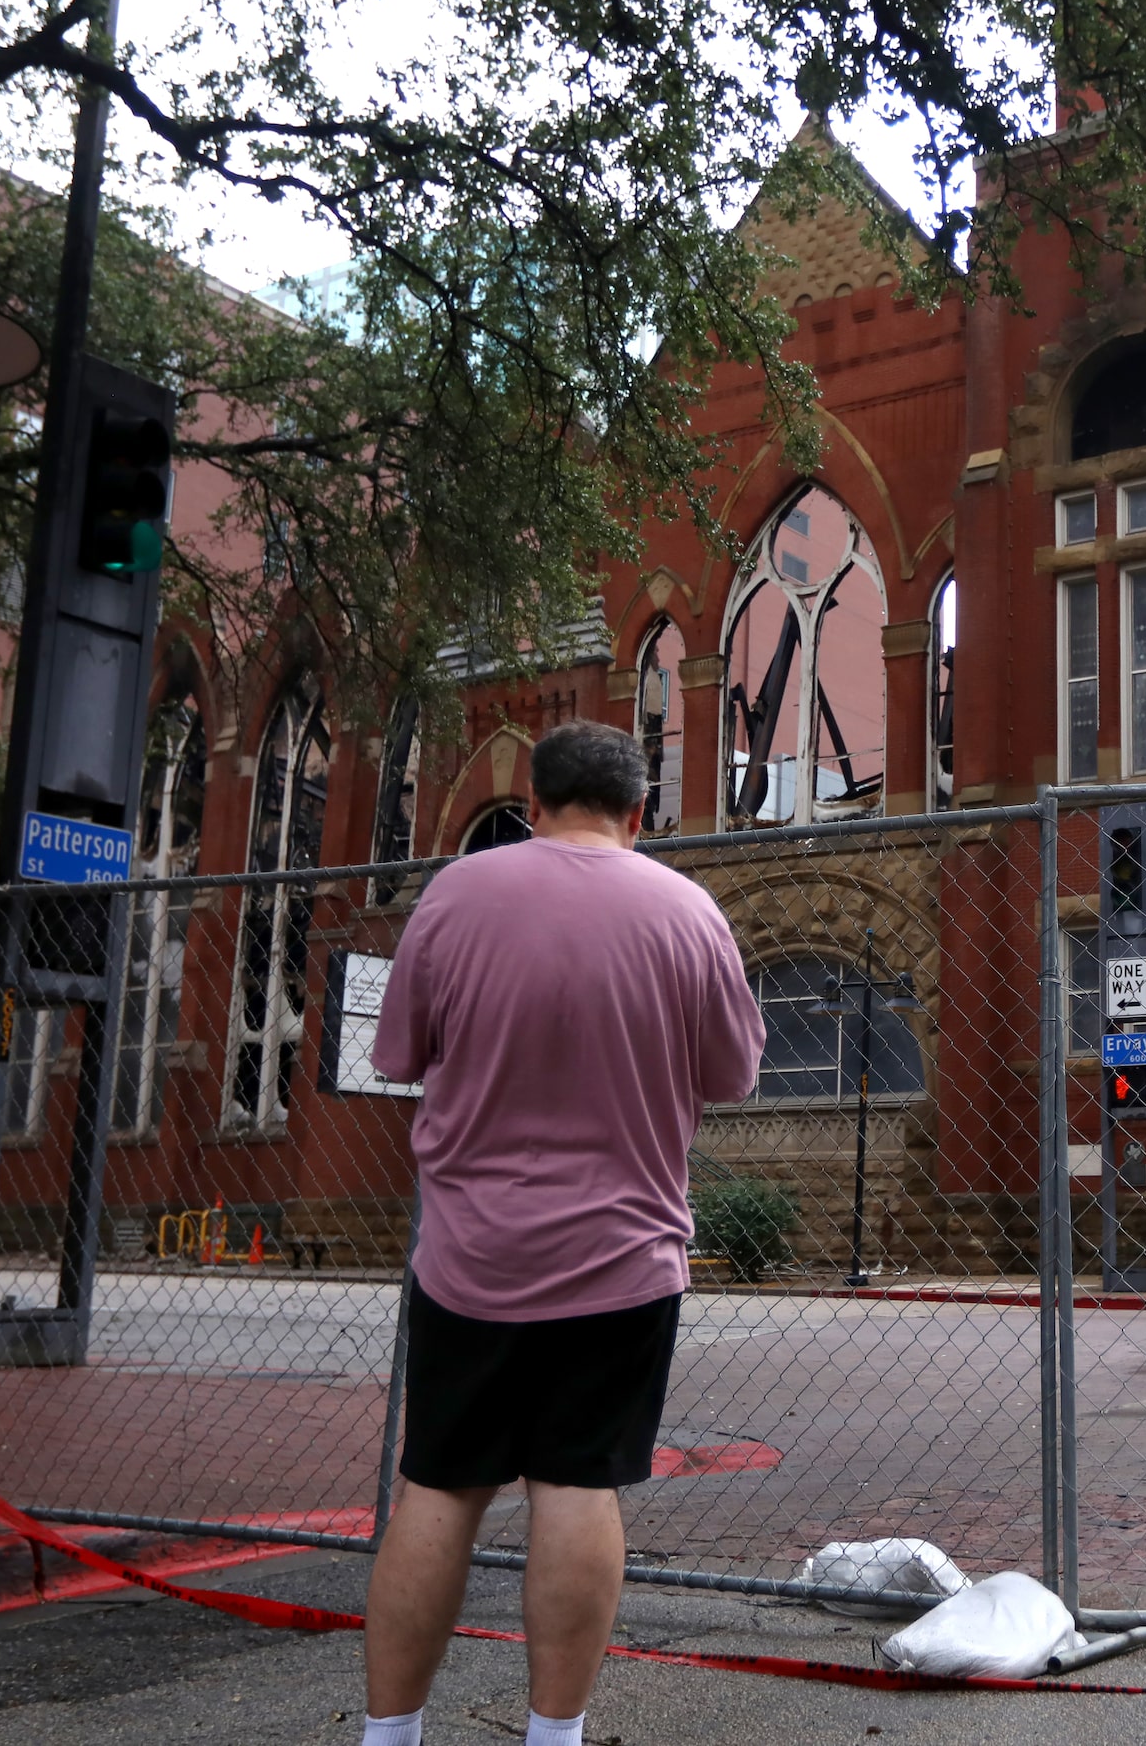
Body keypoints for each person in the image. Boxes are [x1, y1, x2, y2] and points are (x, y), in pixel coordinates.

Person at [361, 719, 765, 1746]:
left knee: (438, 1487)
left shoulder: (455, 894)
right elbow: (731, 1076)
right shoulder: (688, 911)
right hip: (622, 1262)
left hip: (467, 1257)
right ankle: (553, 1739)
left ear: (530, 806)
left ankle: (389, 1737)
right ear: (641, 815)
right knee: (578, 1485)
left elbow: (398, 1050)